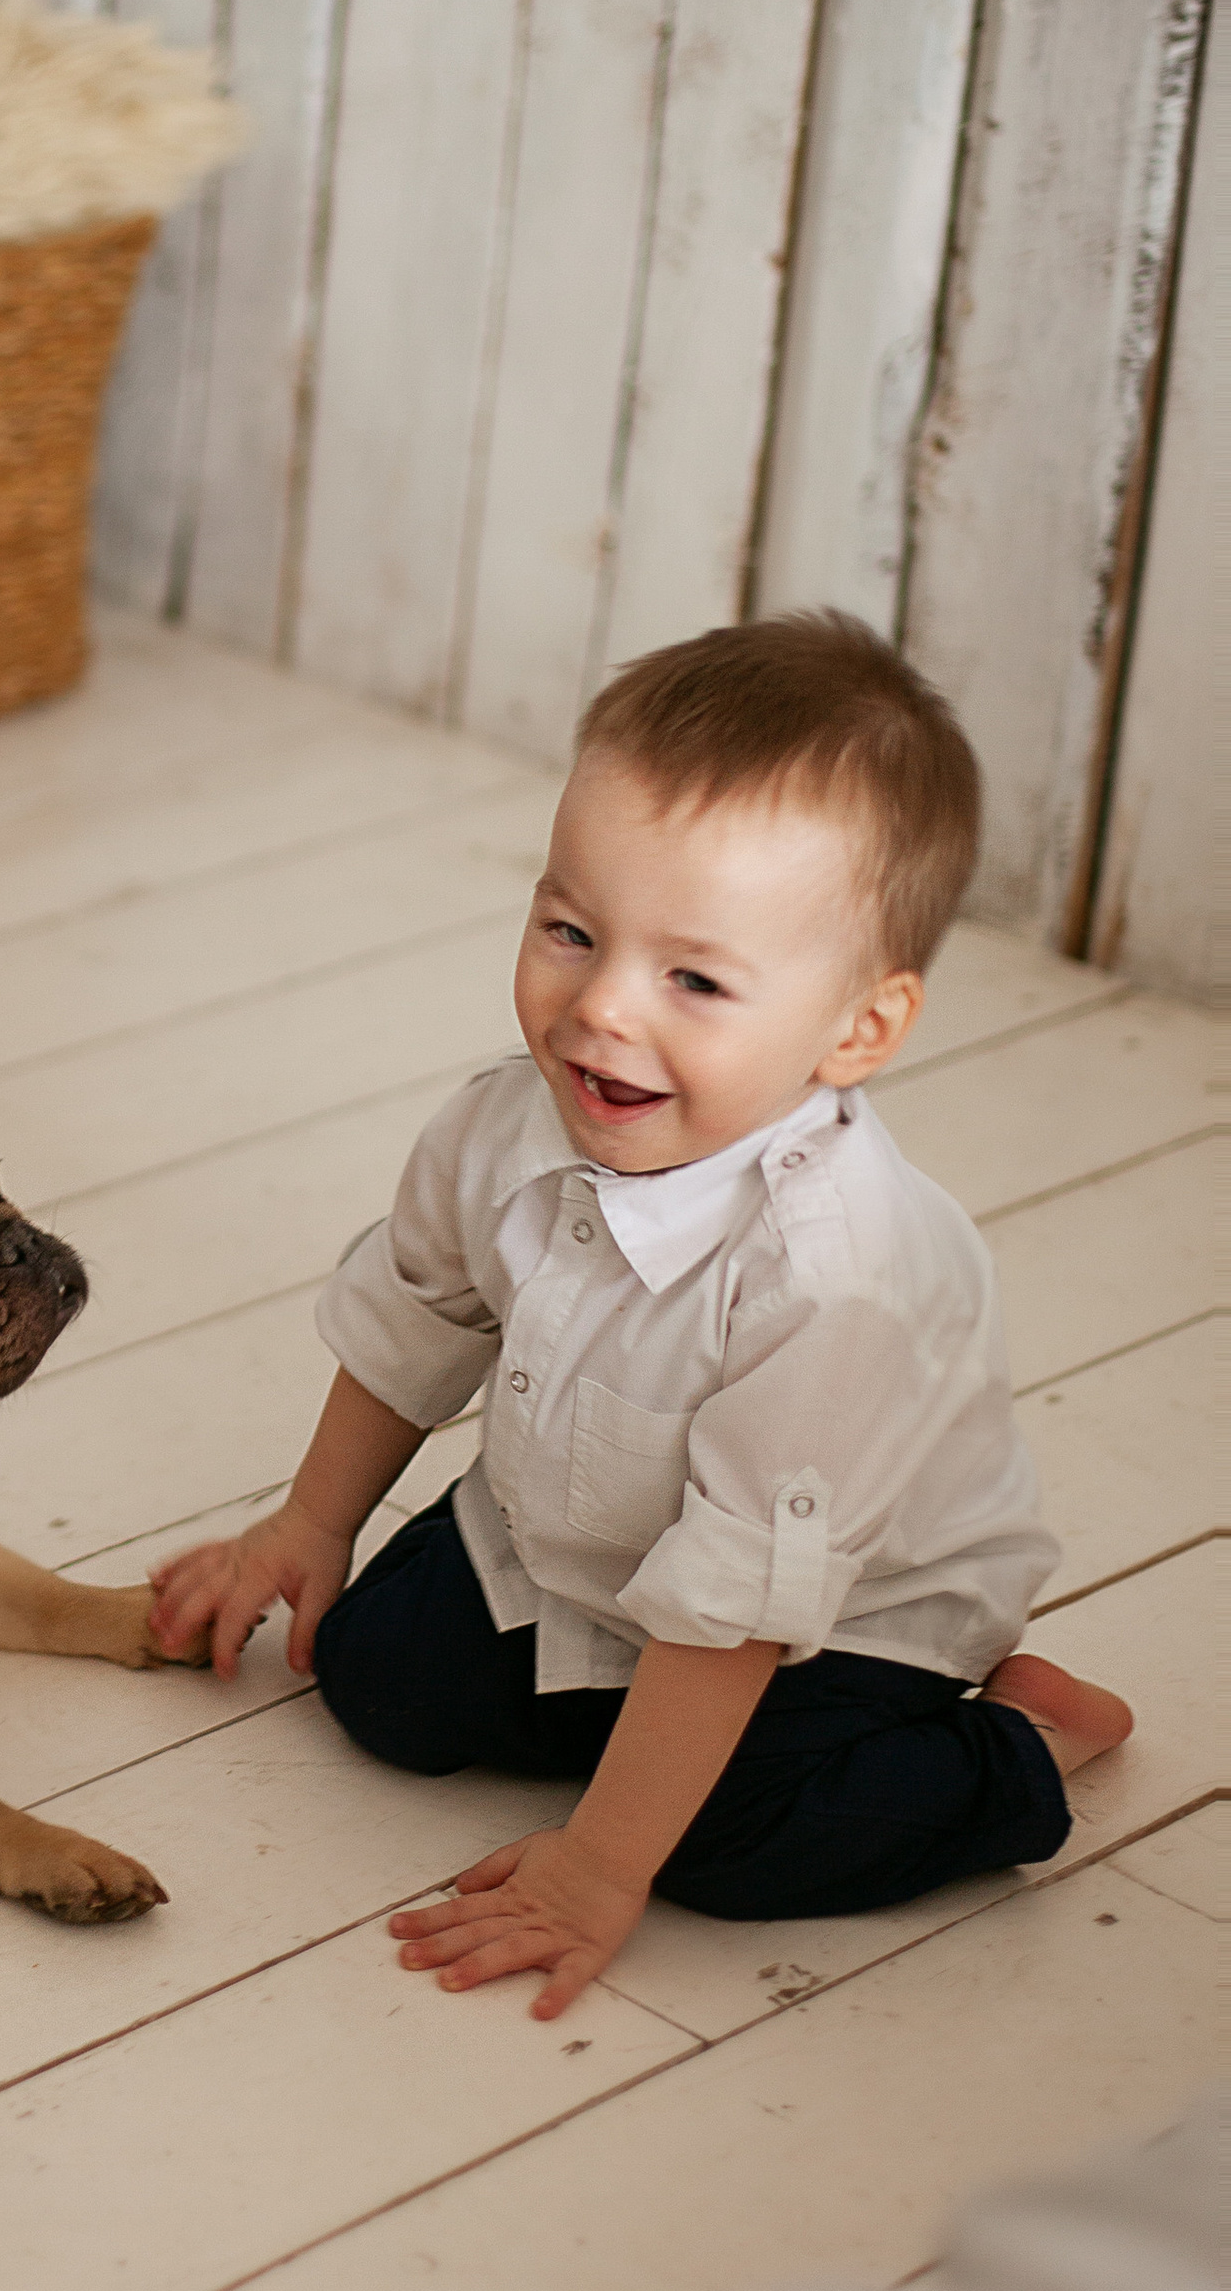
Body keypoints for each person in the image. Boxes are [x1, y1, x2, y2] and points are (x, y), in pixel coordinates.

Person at [149, 612, 1131, 2016]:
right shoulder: (504, 1123)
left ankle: (1022, 1741)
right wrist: (310, 1521)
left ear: (856, 1030)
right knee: (374, 1677)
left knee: (728, 1850)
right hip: (573, 1538)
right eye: (570, 929)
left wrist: (602, 1864)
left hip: (831, 1616)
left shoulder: (835, 1274)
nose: (600, 1007)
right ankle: (624, 1722)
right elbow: (421, 1317)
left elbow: (738, 1610)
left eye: (695, 980)